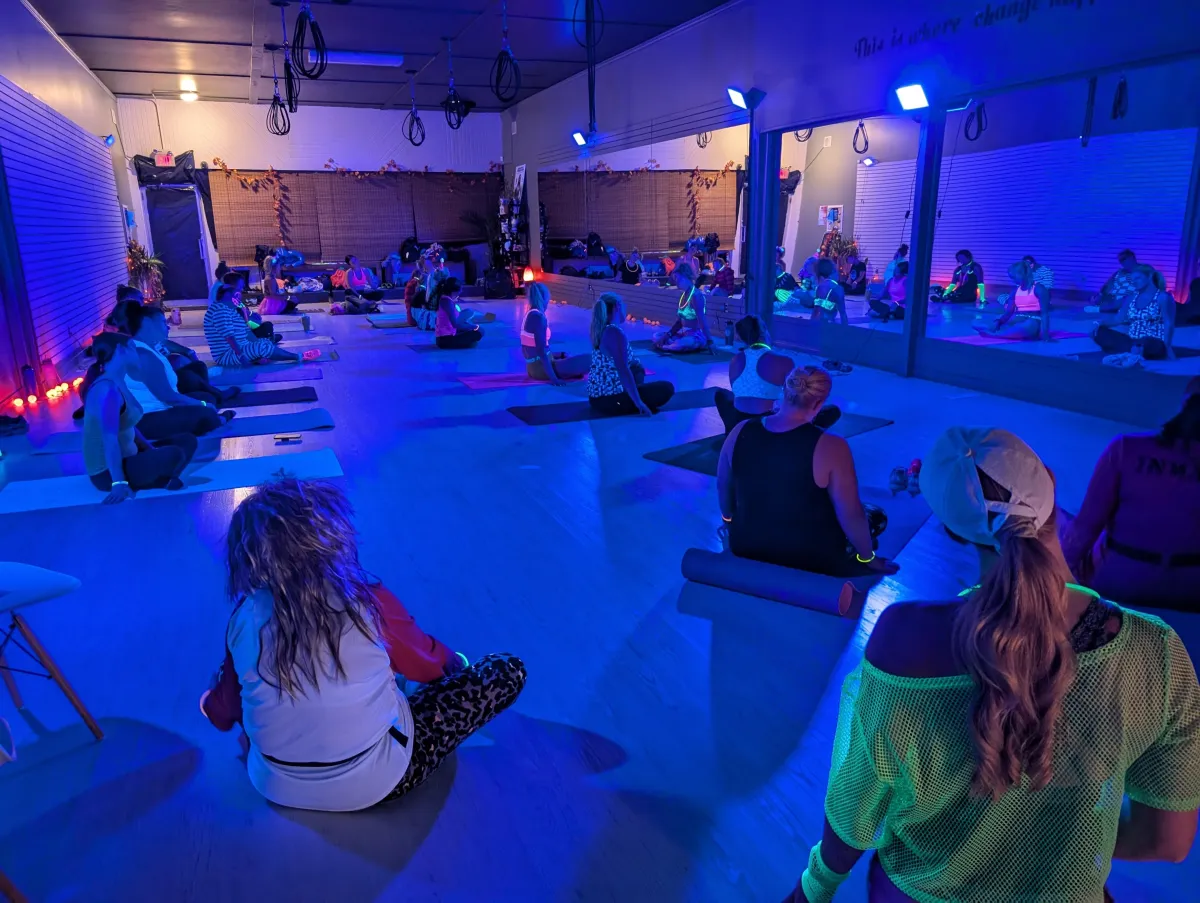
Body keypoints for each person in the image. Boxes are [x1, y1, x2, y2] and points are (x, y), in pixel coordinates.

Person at [784, 426, 1200, 903]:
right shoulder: (1156, 651)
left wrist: (815, 887)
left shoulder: (903, 638)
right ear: (1049, 483)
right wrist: (1056, 843)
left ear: (952, 530)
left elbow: (856, 808)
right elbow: (1167, 842)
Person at [199, 479, 527, 813]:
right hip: (378, 780)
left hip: (275, 783)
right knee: (506, 670)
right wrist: (456, 667)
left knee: (243, 678)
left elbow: (227, 710)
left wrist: (213, 704)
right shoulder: (368, 602)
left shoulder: (243, 618)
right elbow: (431, 667)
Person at [718, 365, 892, 577]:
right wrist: (868, 558)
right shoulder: (833, 446)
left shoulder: (739, 430)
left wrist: (728, 523)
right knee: (875, 516)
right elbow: (851, 513)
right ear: (819, 403)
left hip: (745, 545)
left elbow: (723, 486)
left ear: (785, 389)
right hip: (810, 558)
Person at [1060, 379, 1200, 611]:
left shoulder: (1127, 448)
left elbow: (1085, 528)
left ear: (1183, 404)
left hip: (1120, 580)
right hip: (1192, 588)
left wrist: (1059, 576)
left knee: (1061, 517)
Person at [82, 333, 197, 504]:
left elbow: (129, 425)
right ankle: (154, 479)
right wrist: (118, 483)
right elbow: (109, 439)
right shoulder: (107, 389)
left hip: (131, 454)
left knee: (187, 440)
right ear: (121, 350)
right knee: (174, 454)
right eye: (133, 348)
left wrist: (151, 450)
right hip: (107, 472)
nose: (138, 353)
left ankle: (158, 478)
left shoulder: (118, 381)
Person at [119, 302, 234, 441]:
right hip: (146, 418)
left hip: (160, 407)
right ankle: (217, 420)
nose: (167, 326)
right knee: (206, 413)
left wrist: (201, 403)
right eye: (163, 322)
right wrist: (202, 405)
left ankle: (207, 415)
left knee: (206, 398)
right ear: (147, 323)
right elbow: (169, 397)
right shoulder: (143, 355)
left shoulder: (146, 346)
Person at [714, 315, 842, 435]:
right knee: (831, 411)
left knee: (722, 395)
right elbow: (795, 400)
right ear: (764, 331)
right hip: (768, 426)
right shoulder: (784, 361)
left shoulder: (735, 360)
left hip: (739, 423)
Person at [587, 293, 675, 416]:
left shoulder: (604, 329)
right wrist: (638, 402)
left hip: (599, 398)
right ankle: (633, 401)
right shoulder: (614, 332)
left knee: (637, 370)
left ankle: (632, 396)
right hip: (610, 400)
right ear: (617, 306)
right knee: (666, 388)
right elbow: (623, 370)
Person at [204, 285, 316, 367]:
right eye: (236, 295)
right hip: (227, 355)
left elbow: (247, 332)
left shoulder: (231, 310)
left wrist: (257, 345)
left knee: (264, 342)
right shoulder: (220, 310)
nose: (239, 298)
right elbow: (229, 337)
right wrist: (241, 356)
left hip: (240, 348)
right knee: (262, 346)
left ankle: (258, 357)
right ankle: (298, 357)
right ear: (228, 295)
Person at [1092, 264, 1177, 362]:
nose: (1134, 282)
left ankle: (1132, 351)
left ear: (1149, 276)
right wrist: (1099, 323)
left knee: (1147, 343)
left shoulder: (1163, 297)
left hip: (1153, 341)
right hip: (1131, 340)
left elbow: (1168, 323)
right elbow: (1118, 319)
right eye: (1133, 280)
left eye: (1138, 278)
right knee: (1099, 332)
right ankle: (1133, 351)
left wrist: (1168, 347)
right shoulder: (1131, 297)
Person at [520, 282, 589, 384]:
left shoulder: (530, 314)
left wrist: (560, 354)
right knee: (591, 360)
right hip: (540, 368)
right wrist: (554, 379)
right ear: (544, 299)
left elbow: (535, 349)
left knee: (576, 359)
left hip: (535, 366)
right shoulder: (538, 318)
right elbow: (541, 351)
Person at [972, 260, 1051, 341]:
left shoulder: (1039, 288)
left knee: (1028, 325)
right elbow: (1009, 312)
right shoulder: (1015, 291)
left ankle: (997, 335)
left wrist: (1045, 335)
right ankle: (1001, 331)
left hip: (1033, 321)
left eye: (1014, 277)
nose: (1013, 280)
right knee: (976, 322)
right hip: (1017, 320)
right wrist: (999, 322)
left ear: (1023, 274)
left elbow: (1045, 313)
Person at [653, 264, 712, 353]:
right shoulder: (683, 295)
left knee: (685, 343)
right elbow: (680, 322)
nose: (676, 282)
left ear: (685, 276)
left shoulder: (696, 296)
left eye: (677, 278)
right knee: (657, 335)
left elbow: (702, 320)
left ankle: (667, 347)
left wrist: (710, 341)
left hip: (696, 336)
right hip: (684, 334)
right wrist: (668, 335)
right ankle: (670, 345)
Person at [433, 277, 482, 350]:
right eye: (460, 289)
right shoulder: (447, 301)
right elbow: (455, 324)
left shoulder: (447, 300)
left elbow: (456, 319)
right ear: (454, 290)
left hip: (448, 334)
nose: (461, 291)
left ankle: (466, 341)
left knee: (470, 314)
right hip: (445, 339)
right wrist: (473, 327)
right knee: (480, 332)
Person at [1087, 249, 1139, 314]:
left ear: (1132, 258)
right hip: (1116, 296)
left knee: (1123, 299)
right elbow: (1108, 284)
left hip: (1131, 296)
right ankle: (1101, 304)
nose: (1122, 263)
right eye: (1121, 261)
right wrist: (1100, 295)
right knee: (1101, 297)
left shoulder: (1143, 270)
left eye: (1124, 260)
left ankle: (1099, 309)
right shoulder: (1119, 272)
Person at [811, 259, 849, 324]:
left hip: (817, 324)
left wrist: (809, 325)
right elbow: (843, 313)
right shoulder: (838, 289)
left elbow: (815, 312)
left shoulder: (819, 287)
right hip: (829, 325)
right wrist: (845, 329)